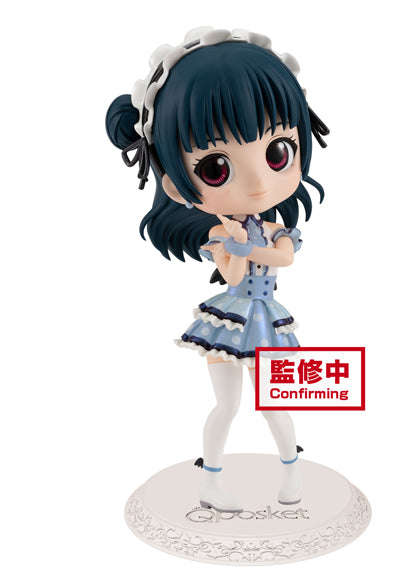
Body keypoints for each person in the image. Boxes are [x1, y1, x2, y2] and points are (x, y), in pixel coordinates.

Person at [106, 27, 328, 513]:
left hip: (267, 320)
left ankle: (292, 472)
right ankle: (210, 482)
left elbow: (285, 258)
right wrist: (230, 245)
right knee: (226, 406)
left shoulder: (275, 230)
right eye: (216, 168)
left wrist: (245, 242)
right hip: (228, 321)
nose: (258, 184)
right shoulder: (220, 235)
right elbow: (230, 276)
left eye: (278, 152)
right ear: (175, 183)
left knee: (274, 405)